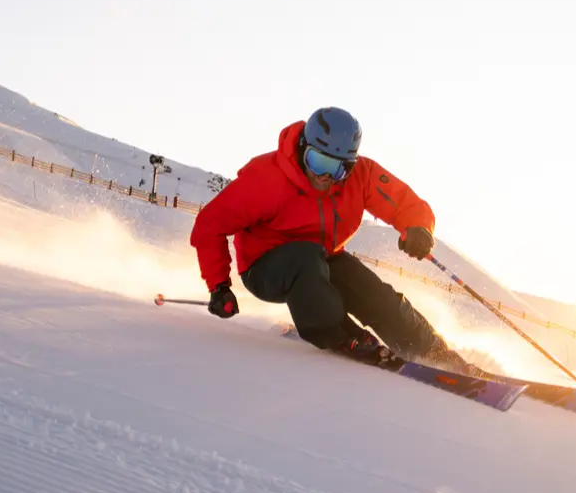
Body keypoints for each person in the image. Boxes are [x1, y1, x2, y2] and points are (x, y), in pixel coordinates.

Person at [190, 106, 475, 371]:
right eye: (318, 161)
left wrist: (418, 227)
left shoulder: (360, 176)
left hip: (324, 259)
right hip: (265, 267)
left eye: (338, 168)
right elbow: (209, 225)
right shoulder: (266, 178)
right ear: (303, 147)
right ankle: (342, 336)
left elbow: (401, 201)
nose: (326, 175)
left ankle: (439, 357)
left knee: (377, 296)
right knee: (305, 259)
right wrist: (219, 286)